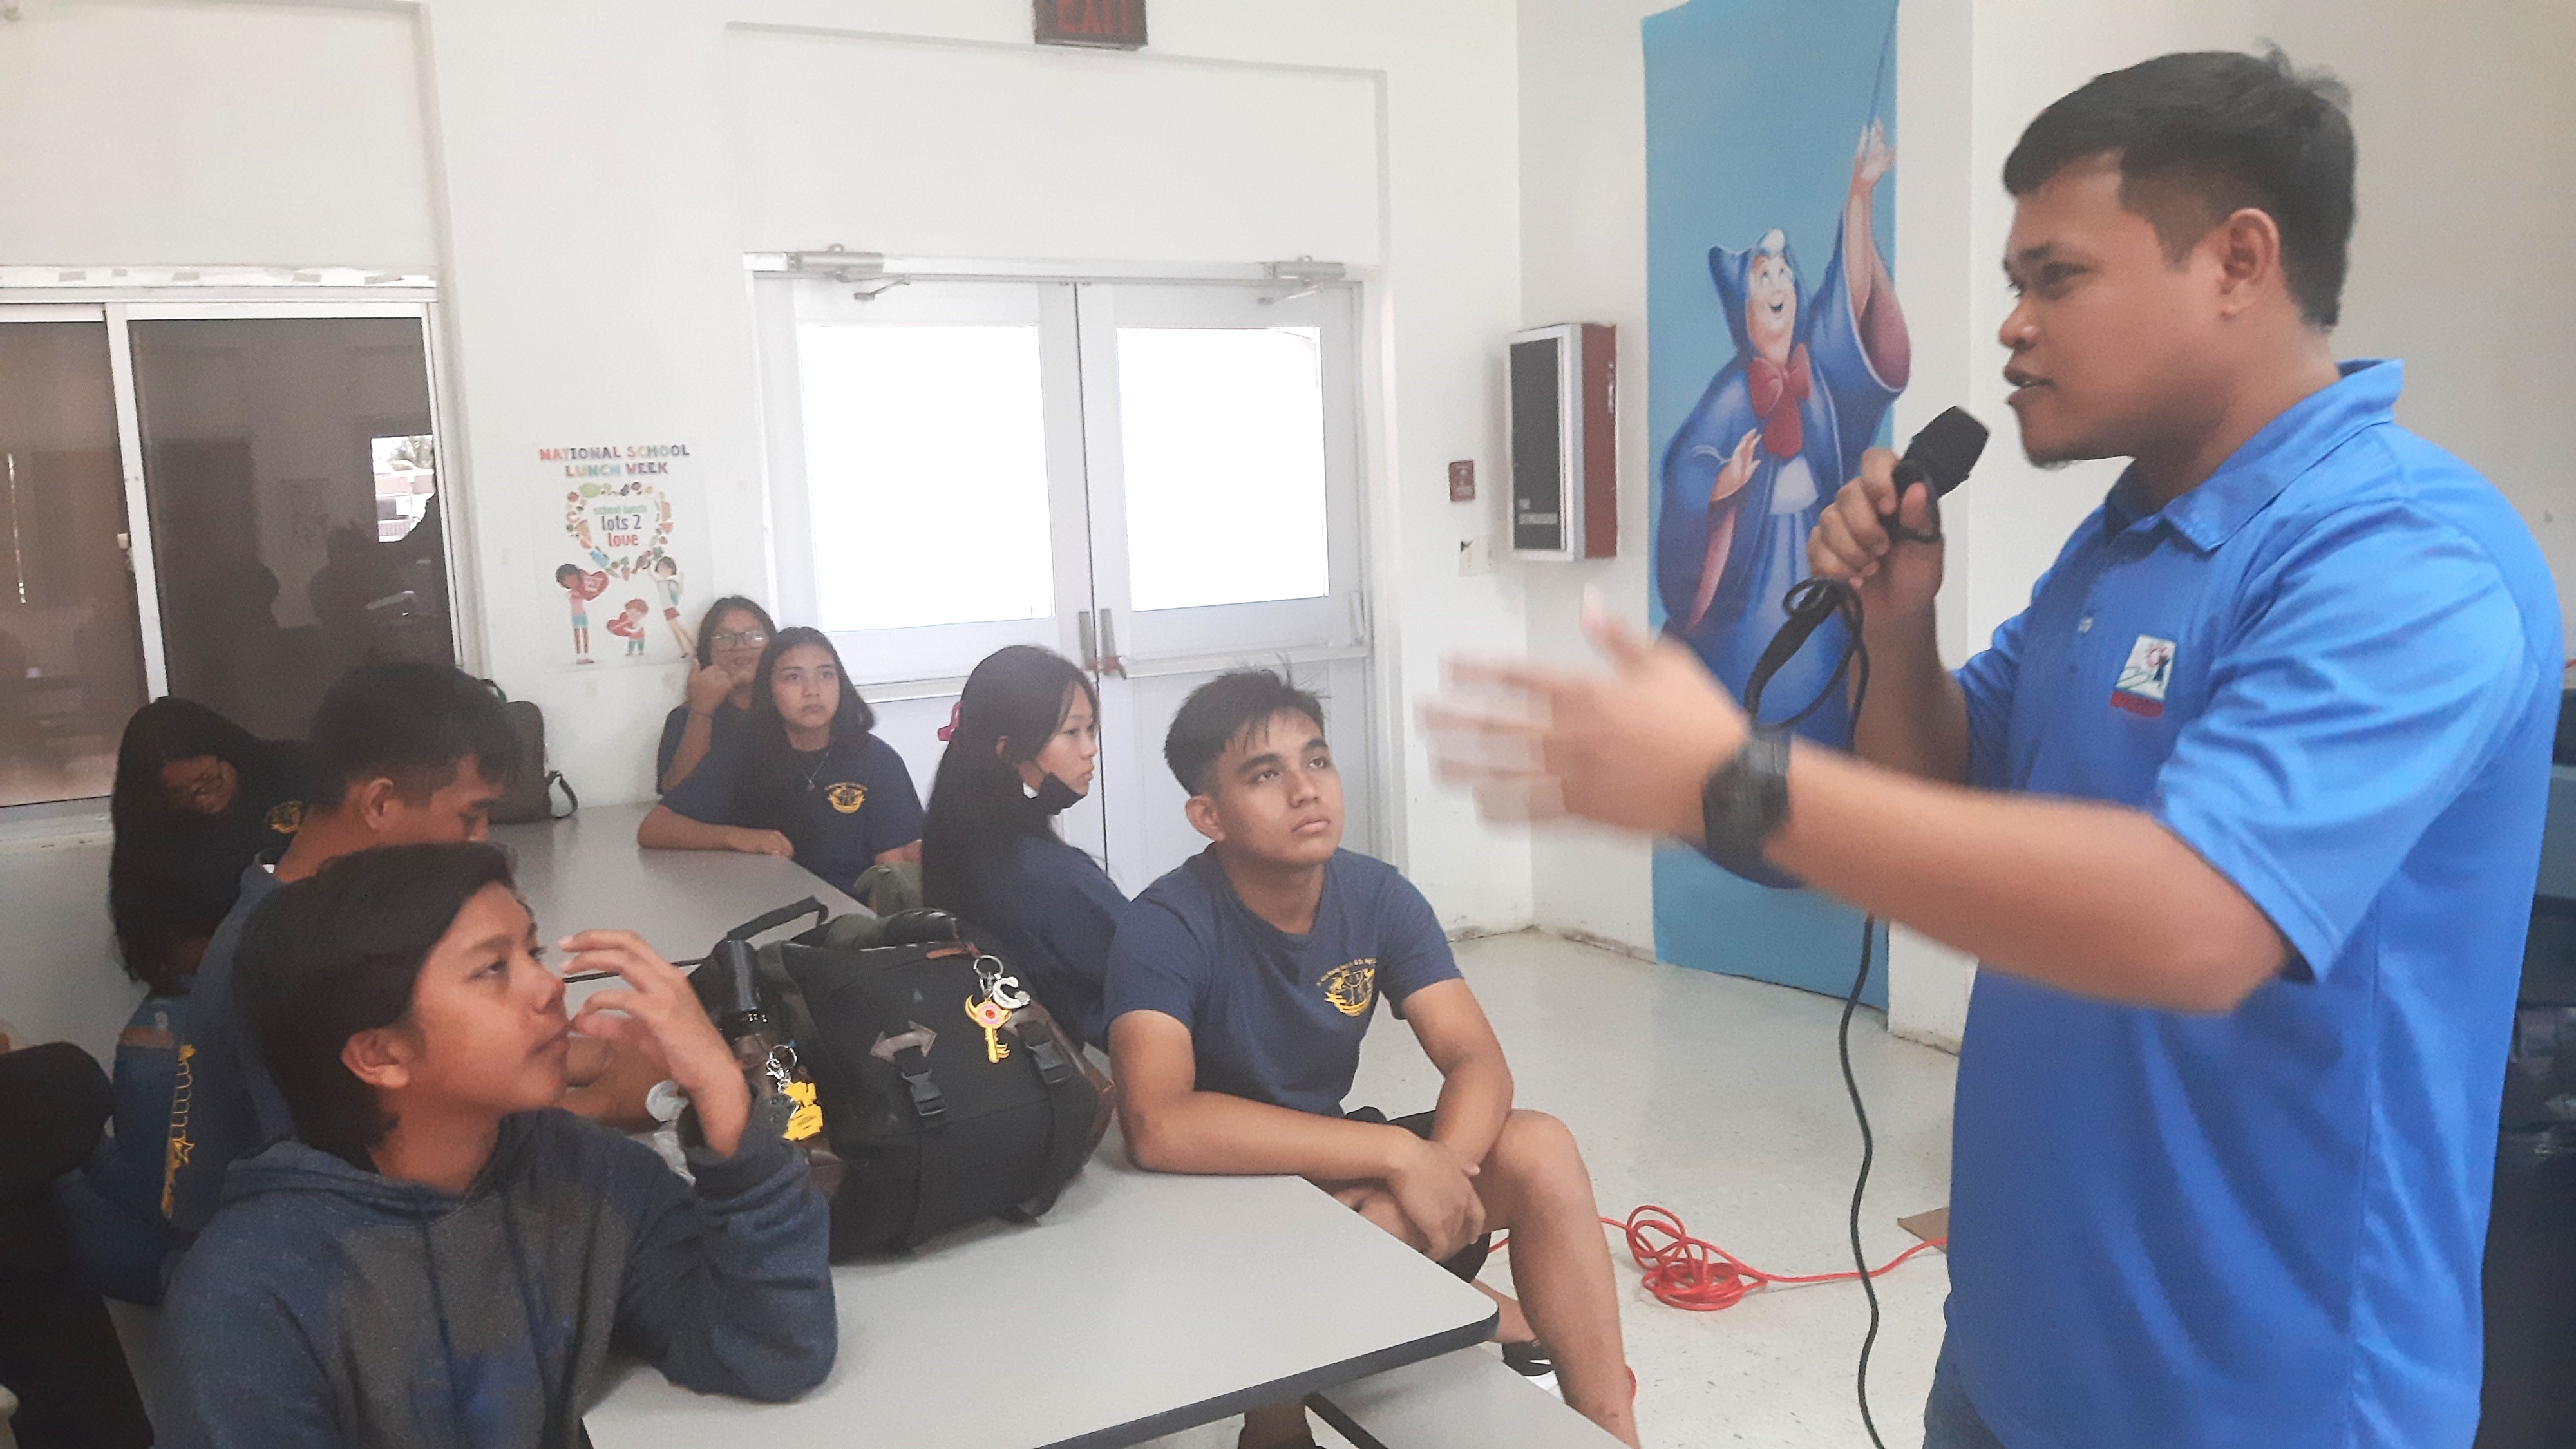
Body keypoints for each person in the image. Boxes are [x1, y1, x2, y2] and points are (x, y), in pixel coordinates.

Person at [1428, 50, 2560, 1449]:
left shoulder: (2397, 556)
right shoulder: (2121, 541)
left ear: (2236, 261)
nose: (2010, 327)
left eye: (2054, 277)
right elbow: (1938, 785)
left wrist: (1727, 780)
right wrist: (1900, 629)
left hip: (2257, 1395)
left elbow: (2195, 921)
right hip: (2017, 1350)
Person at [1105, 671, 1640, 1449]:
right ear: (1208, 816)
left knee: (1538, 1146)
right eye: (1265, 775)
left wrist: (1443, 1169)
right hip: (1205, 1203)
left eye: (1316, 762)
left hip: (1322, 1170)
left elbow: (1475, 1059)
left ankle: (1610, 1431)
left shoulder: (1377, 895)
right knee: (1343, 1260)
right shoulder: (1164, 925)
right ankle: (1277, 1421)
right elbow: (1158, 1122)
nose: (1303, 790)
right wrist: (1394, 1152)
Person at [153, 842, 835, 1446]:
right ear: (381, 1053)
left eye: (531, 951)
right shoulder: (251, 1297)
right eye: (491, 970)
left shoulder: (583, 1172)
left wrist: (721, 1091)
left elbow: (770, 1346)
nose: (549, 986)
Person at [921, 645, 1125, 1045]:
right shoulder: (1047, 876)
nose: (1090, 749)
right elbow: (1151, 974)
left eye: (1091, 731)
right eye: (1072, 733)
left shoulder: (961, 841)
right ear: (1008, 752)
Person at [640, 626, 923, 893]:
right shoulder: (744, 753)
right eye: (793, 677)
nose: (812, 691)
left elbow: (894, 870)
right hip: (762, 908)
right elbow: (655, 828)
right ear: (770, 691)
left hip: (851, 919)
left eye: (826, 675)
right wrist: (738, 837)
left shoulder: (878, 759)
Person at [106, 697, 308, 994]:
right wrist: (251, 950)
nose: (202, 800)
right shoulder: (149, 831)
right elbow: (163, 947)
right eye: (179, 794)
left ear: (229, 754)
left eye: (209, 782)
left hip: (318, 941)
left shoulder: (292, 770)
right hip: (229, 967)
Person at [658, 595, 775, 791]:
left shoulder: (791, 711)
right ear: (707, 652)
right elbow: (674, 797)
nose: (740, 646)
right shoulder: (684, 719)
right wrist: (701, 711)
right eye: (725, 638)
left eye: (754, 635)